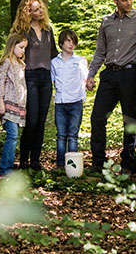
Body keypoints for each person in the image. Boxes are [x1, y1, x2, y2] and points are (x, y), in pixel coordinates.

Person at [86, 0, 136, 174]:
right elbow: (100, 51)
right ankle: (98, 162)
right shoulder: (106, 22)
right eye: (124, 0)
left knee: (129, 119)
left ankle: (128, 163)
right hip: (109, 75)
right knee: (97, 117)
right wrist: (90, 75)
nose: (128, 2)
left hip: (130, 74)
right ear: (115, 1)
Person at [9, 0, 58, 171]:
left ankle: (35, 161)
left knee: (41, 120)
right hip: (29, 77)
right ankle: (23, 161)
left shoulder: (47, 30)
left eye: (41, 8)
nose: (41, 11)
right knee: (31, 120)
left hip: (45, 78)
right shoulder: (21, 32)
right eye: (36, 9)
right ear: (27, 12)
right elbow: (13, 55)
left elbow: (54, 54)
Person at [50, 29, 88, 169]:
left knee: (73, 135)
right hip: (60, 102)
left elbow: (86, 79)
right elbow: (51, 81)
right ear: (61, 43)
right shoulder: (54, 62)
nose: (71, 44)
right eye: (68, 41)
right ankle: (60, 166)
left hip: (76, 102)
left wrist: (90, 84)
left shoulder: (79, 61)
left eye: (73, 41)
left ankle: (71, 167)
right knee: (61, 135)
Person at [0, 34, 28, 178]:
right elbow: (0, 83)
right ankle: (4, 171)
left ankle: (8, 168)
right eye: (21, 47)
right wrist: (0, 102)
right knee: (12, 136)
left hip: (19, 106)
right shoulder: (7, 62)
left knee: (14, 137)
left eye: (24, 48)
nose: (23, 51)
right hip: (8, 105)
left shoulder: (21, 65)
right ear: (12, 46)